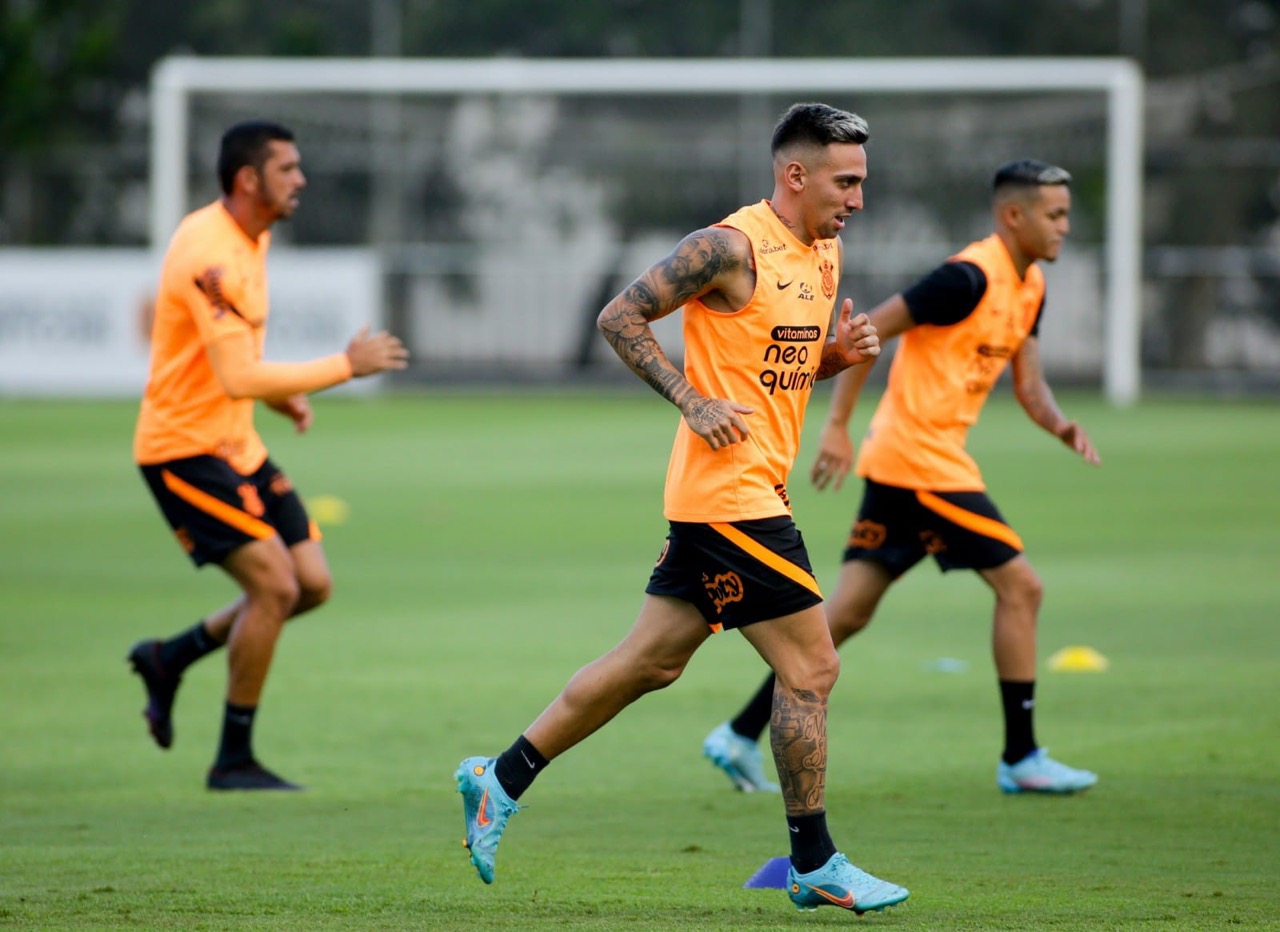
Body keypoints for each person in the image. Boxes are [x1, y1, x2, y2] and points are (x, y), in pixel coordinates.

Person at [455, 102, 909, 916]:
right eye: (846, 182)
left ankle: (499, 779)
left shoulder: (825, 254)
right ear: (794, 174)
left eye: (863, 183)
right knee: (812, 667)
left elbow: (779, 372)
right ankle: (814, 860)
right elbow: (617, 314)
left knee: (650, 663)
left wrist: (836, 357)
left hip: (746, 493)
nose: (857, 200)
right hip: (727, 499)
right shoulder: (727, 249)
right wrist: (689, 398)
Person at [703, 159, 1101, 797]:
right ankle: (1021, 757)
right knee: (1022, 588)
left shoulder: (1030, 289)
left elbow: (1029, 385)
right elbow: (870, 331)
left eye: (1066, 214)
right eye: (1054, 214)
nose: (1064, 227)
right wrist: (837, 425)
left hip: (912, 465)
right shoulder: (968, 277)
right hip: (921, 464)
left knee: (847, 613)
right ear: (1013, 216)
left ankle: (737, 734)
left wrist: (1059, 426)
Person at [128, 120, 409, 791]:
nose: (301, 179)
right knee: (274, 587)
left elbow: (236, 363)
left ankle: (170, 656)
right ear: (249, 179)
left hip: (236, 443)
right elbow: (236, 378)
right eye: (287, 168)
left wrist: (280, 400)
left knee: (310, 585)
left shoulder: (255, 236)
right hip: (182, 451)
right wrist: (342, 366)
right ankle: (232, 760)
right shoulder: (210, 253)